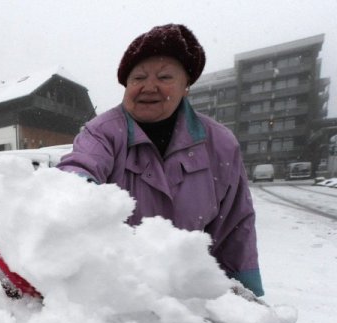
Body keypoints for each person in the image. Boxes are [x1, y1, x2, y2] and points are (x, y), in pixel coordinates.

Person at [57, 23, 264, 296]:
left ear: (185, 86)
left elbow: (235, 227)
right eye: (138, 78)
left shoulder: (220, 144)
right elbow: (79, 167)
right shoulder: (102, 132)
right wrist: (73, 192)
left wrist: (245, 297)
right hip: (119, 294)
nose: (149, 87)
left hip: (191, 299)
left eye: (165, 77)